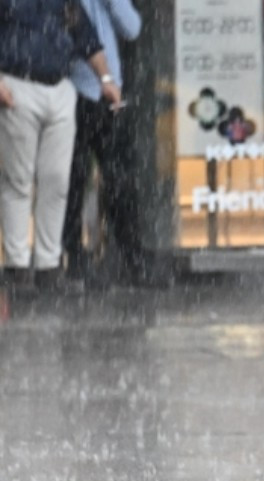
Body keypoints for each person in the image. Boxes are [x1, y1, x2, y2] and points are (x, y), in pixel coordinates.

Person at [1, 0, 121, 294]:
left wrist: (105, 78)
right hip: (18, 84)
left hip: (60, 86)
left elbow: (87, 39)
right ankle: (17, 266)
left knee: (57, 181)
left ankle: (48, 266)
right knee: (18, 179)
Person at [62, 0, 143, 291]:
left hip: (109, 93)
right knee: (73, 179)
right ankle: (74, 256)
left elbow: (133, 28)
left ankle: (129, 255)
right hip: (73, 89)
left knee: (120, 177)